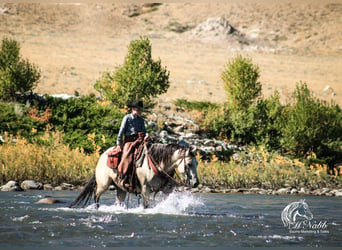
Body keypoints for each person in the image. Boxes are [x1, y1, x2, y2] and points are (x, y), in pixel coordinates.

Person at [116, 100, 149, 190]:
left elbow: (145, 131)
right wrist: (119, 143)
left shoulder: (141, 120)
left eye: (140, 110)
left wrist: (146, 136)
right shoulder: (127, 118)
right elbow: (121, 131)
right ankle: (124, 177)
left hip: (139, 140)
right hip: (129, 141)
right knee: (128, 155)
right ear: (133, 109)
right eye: (138, 109)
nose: (139, 111)